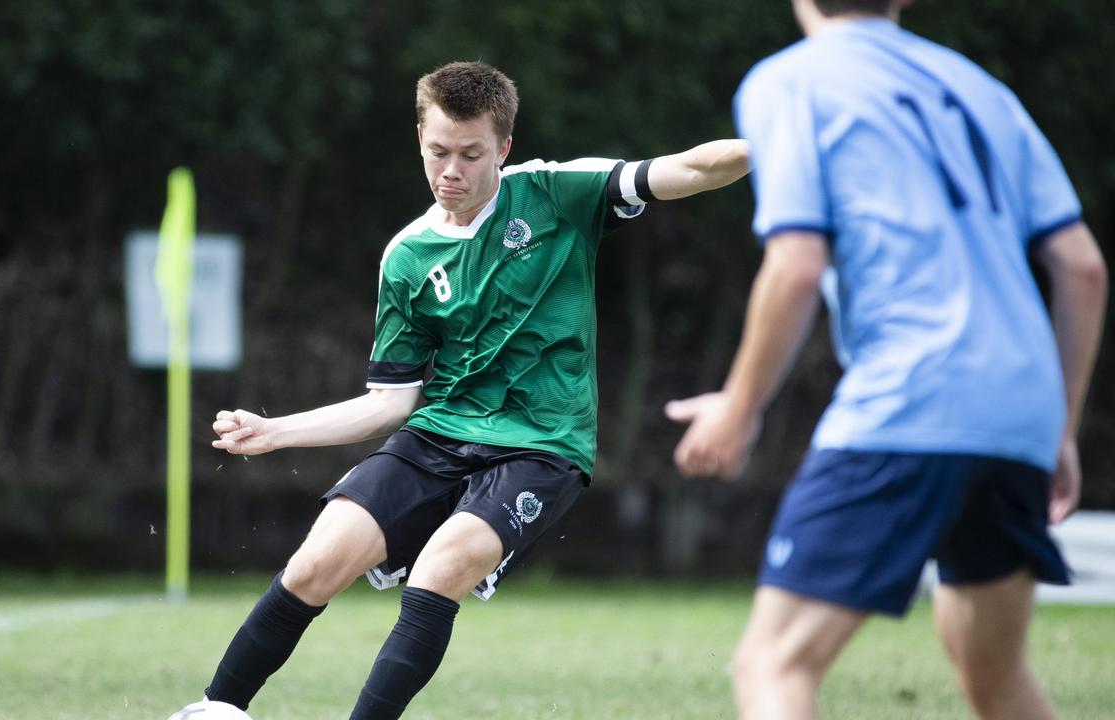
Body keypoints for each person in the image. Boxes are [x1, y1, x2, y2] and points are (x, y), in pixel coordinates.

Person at [169, 60, 751, 720]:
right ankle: (217, 711)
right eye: (437, 151)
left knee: (438, 570)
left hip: (542, 447)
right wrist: (277, 431)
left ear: (503, 148)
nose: (451, 170)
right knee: (314, 564)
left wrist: (776, 148)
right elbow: (391, 402)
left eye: (471, 154)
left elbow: (693, 171)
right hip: (438, 435)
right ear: (420, 140)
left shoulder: (557, 194)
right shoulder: (408, 256)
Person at [664, 1, 1106, 718]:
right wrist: (1056, 426)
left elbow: (797, 267)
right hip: (1020, 409)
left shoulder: (791, 81)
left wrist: (741, 407)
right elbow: (1082, 269)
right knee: (994, 674)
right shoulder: (980, 88)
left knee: (774, 664)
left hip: (913, 399)